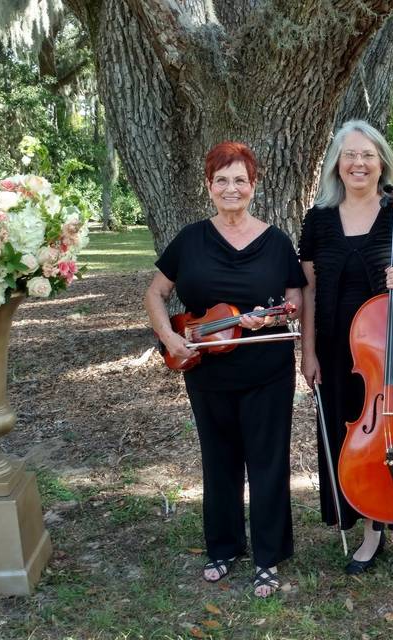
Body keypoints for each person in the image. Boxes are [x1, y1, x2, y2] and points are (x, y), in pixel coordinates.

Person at [144, 141, 305, 597]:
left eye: (240, 180)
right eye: (221, 181)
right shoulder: (191, 238)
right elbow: (155, 294)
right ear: (209, 187)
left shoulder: (276, 242)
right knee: (219, 460)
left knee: (268, 461)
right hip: (206, 367)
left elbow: (295, 302)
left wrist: (274, 315)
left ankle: (268, 556)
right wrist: (169, 336)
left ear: (254, 187)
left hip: (267, 369)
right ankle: (224, 546)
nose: (230, 188)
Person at [298, 120, 393, 587]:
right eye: (348, 155)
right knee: (354, 440)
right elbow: (310, 290)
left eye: (367, 155)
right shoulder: (318, 218)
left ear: (381, 161)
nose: (358, 163)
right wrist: (310, 351)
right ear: (336, 164)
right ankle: (370, 529)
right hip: (342, 352)